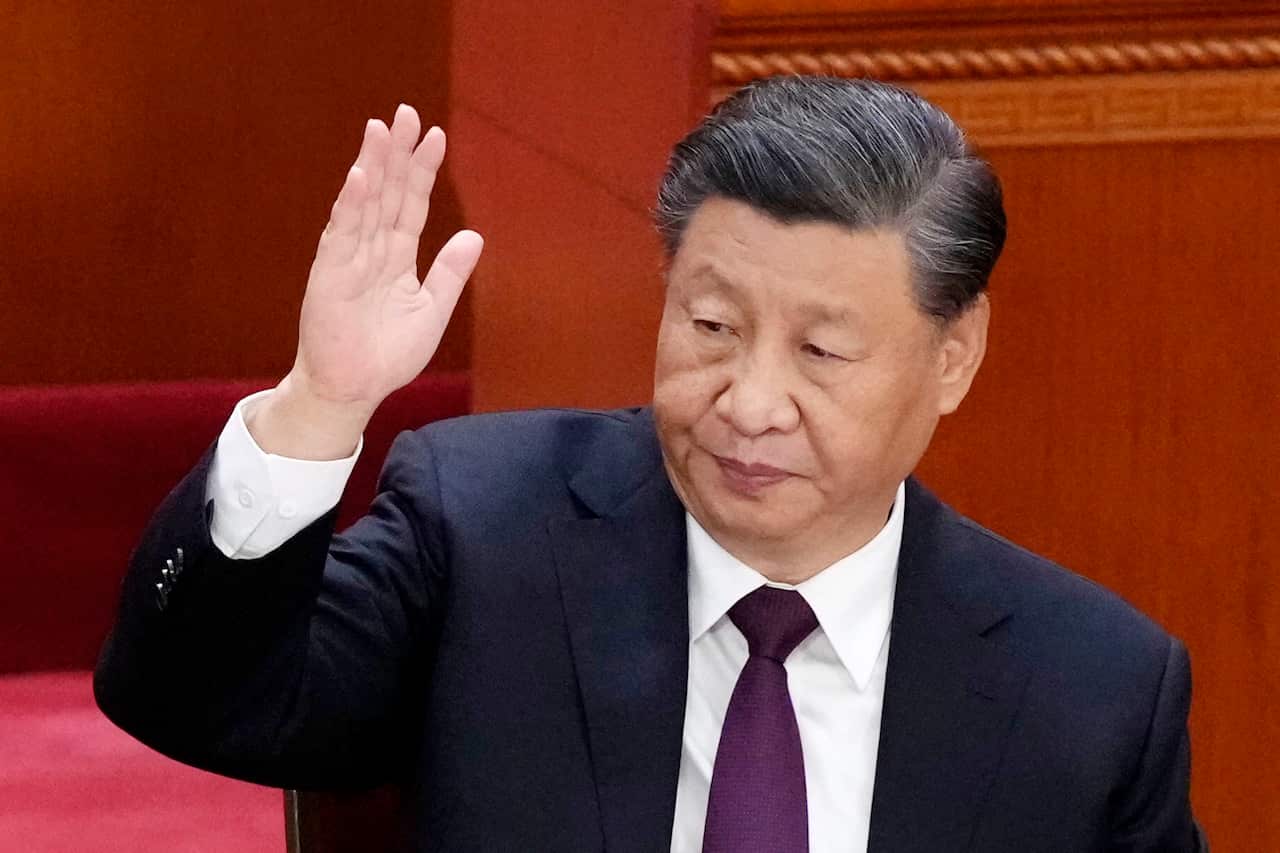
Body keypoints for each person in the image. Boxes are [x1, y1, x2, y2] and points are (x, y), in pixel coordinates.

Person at [95, 76, 1205, 852]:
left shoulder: (1090, 690)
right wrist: (319, 405)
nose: (750, 403)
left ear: (951, 355)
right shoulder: (484, 533)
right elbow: (193, 701)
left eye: (820, 352)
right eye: (711, 326)